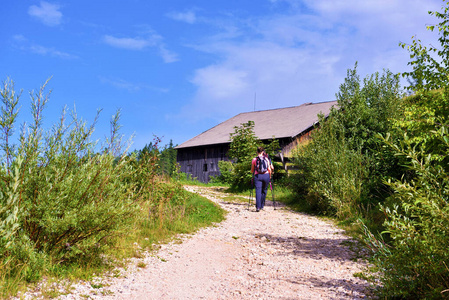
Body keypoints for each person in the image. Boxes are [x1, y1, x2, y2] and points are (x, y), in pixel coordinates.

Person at [251, 146, 271, 212]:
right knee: (264, 190)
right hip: (266, 175)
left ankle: (258, 207)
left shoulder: (254, 159)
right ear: (263, 152)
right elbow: (269, 169)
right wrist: (270, 176)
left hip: (258, 176)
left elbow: (252, 170)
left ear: (257, 152)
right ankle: (262, 206)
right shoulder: (266, 159)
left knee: (258, 191)